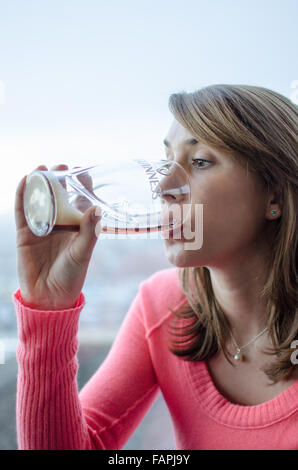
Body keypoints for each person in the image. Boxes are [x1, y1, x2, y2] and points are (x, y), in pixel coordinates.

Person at [13, 84, 298, 450]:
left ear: (273, 194)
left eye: (199, 162)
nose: (164, 187)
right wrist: (48, 306)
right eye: (166, 161)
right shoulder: (163, 305)